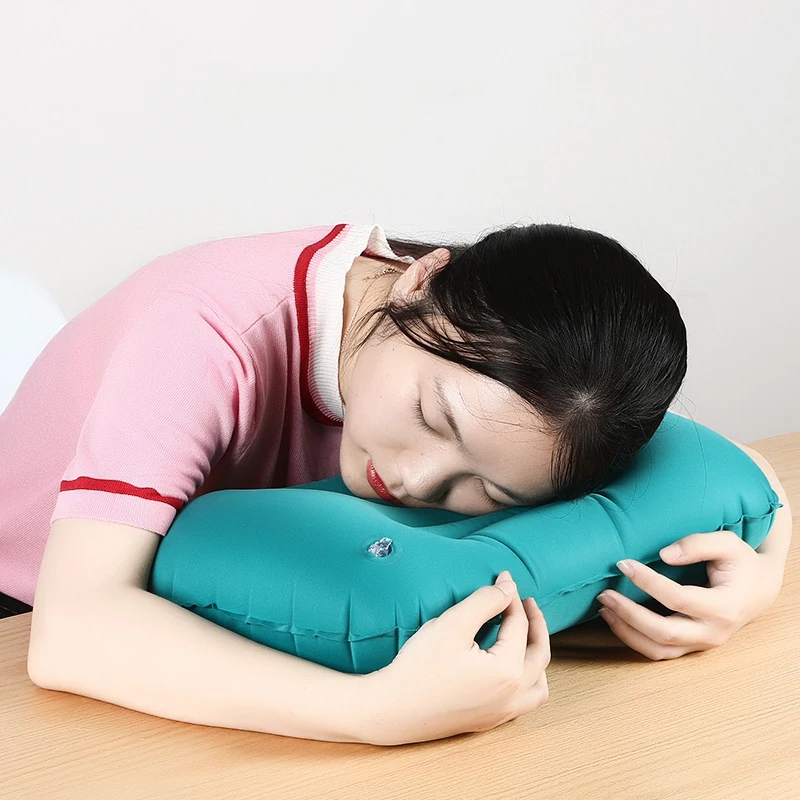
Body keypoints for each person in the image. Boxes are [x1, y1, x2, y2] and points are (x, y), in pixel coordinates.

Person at [0, 222, 791, 746]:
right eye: (432, 416)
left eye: (491, 491)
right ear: (419, 281)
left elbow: (722, 465)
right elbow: (71, 632)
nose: (413, 480)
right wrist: (371, 713)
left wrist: (762, 575)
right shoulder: (204, 335)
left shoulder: (515, 377)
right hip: (36, 603)